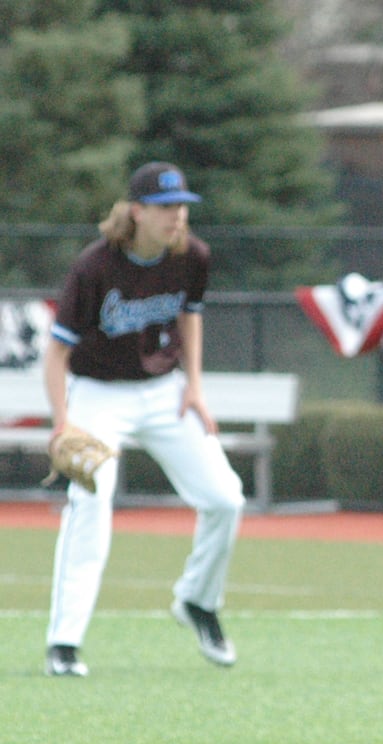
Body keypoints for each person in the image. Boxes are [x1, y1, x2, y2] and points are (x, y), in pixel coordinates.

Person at [43, 162, 245, 677]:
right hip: (98, 395)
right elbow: (56, 354)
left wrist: (195, 385)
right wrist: (63, 423)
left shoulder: (192, 256)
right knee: (91, 500)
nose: (178, 216)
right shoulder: (95, 267)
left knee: (226, 497)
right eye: (165, 207)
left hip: (163, 392)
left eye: (181, 206)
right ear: (136, 212)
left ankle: (197, 601)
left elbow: (190, 314)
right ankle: (64, 643)